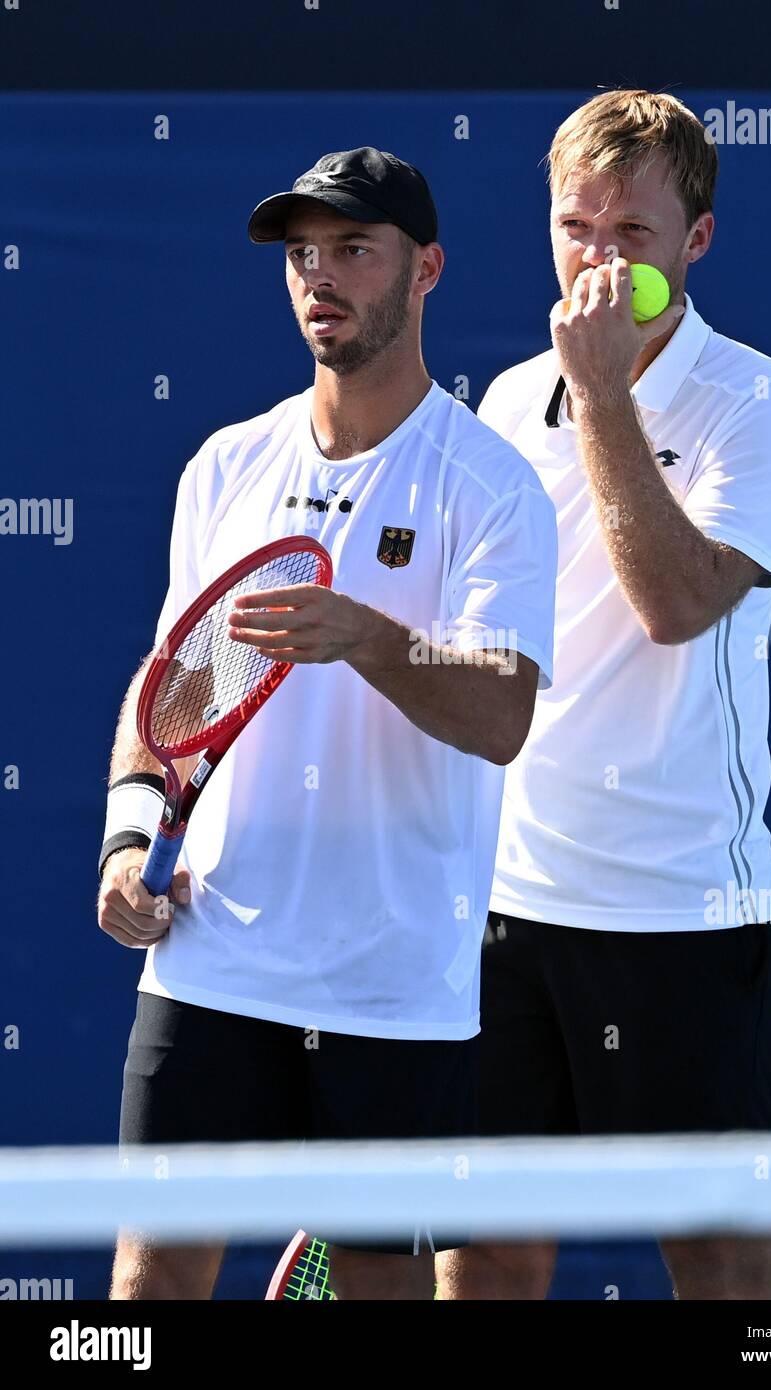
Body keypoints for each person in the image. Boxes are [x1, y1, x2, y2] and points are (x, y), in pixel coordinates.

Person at [96, 146, 557, 1301]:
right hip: (210, 966)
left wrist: (367, 635)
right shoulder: (224, 466)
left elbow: (501, 711)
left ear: (427, 269)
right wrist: (123, 838)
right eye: (302, 253)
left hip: (393, 988)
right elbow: (170, 692)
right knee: (146, 1295)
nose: (321, 276)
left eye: (354, 248)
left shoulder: (489, 485)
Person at [437, 90, 771, 1301]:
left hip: (679, 915)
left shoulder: (766, 402)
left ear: (695, 242)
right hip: (503, 912)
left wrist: (601, 394)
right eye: (573, 228)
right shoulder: (501, 402)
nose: (596, 263)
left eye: (631, 236)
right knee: (485, 1258)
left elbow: (671, 604)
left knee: (714, 1260)